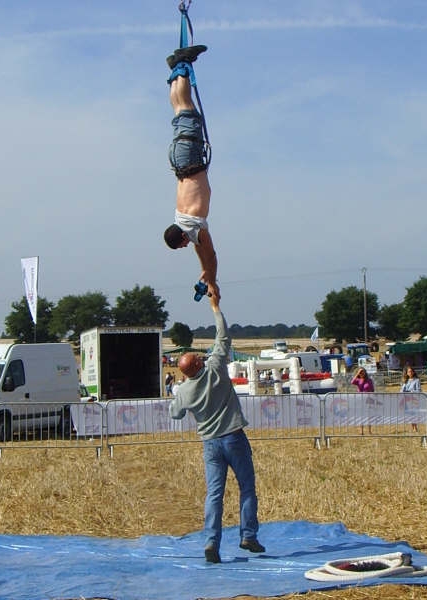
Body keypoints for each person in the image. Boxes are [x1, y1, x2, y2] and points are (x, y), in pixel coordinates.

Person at [169, 292, 264, 563]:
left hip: (209, 443)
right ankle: (248, 536)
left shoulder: (185, 390)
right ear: (199, 363)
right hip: (233, 436)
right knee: (246, 487)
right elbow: (223, 336)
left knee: (214, 494)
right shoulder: (215, 369)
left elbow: (174, 414)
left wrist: (181, 392)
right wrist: (215, 305)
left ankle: (211, 542)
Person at [163, 45, 220, 301]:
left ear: (182, 237)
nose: (187, 246)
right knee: (179, 112)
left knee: (187, 109)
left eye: (182, 244)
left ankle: (182, 65)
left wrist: (213, 279)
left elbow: (210, 253)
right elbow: (202, 253)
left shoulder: (194, 227)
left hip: (191, 157)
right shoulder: (182, 219)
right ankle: (175, 71)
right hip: (179, 159)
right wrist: (205, 273)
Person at [351, 367, 375, 434]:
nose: (362, 373)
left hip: (368, 399)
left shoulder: (369, 380)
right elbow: (352, 382)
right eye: (360, 372)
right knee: (361, 415)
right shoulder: (358, 380)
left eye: (363, 371)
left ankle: (369, 431)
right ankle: (361, 431)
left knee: (369, 415)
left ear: (365, 372)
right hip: (360, 400)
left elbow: (372, 389)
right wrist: (357, 374)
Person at [400, 367, 421, 432]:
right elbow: (401, 390)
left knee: (414, 413)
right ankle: (412, 427)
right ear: (407, 373)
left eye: (411, 371)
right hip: (406, 400)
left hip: (413, 399)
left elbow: (419, 390)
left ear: (413, 372)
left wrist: (411, 391)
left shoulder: (417, 380)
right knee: (409, 414)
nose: (410, 373)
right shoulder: (405, 381)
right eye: (409, 371)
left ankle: (415, 428)